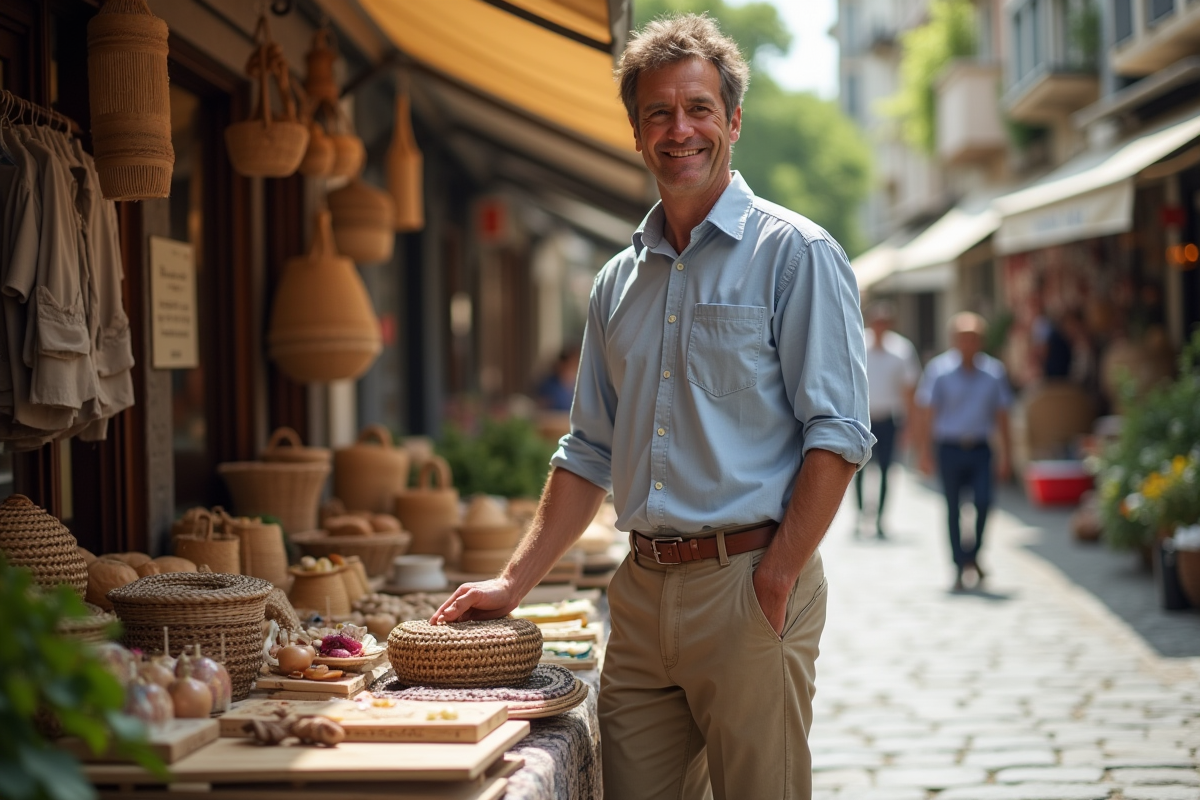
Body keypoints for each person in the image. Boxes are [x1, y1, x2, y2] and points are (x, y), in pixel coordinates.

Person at [432, 14, 873, 800]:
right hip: (638, 598)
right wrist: (511, 584)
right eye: (659, 113)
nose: (681, 130)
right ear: (637, 133)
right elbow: (587, 452)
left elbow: (836, 436)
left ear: (733, 121)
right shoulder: (615, 283)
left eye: (699, 108)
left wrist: (774, 579)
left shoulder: (795, 255)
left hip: (747, 584)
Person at [914, 312, 1013, 592]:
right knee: (953, 509)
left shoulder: (994, 373)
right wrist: (924, 452)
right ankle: (960, 565)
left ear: (981, 341)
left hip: (981, 449)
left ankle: (973, 554)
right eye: (963, 338)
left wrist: (1007, 456)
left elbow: (1003, 416)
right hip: (950, 449)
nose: (968, 343)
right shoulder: (939, 370)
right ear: (954, 340)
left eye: (974, 338)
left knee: (984, 503)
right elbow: (927, 413)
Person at [856, 301, 921, 538]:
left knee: (885, 470)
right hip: (862, 419)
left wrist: (911, 427)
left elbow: (909, 391)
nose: (880, 326)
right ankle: (861, 513)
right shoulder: (858, 343)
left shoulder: (901, 350)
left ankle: (881, 516)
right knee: (857, 470)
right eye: (876, 321)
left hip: (888, 419)